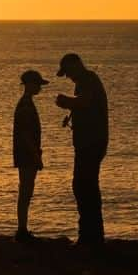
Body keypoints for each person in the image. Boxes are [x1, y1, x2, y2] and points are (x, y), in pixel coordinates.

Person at [54, 53, 109, 247]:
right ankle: (91, 235)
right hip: (88, 142)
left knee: (84, 186)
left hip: (91, 143)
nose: (68, 76)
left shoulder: (89, 80)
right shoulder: (85, 81)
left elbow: (84, 101)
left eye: (68, 71)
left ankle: (90, 236)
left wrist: (66, 101)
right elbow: (84, 104)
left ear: (76, 66)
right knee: (85, 186)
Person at [13, 69, 48, 242]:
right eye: (38, 84)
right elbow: (26, 135)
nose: (40, 88)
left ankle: (22, 229)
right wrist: (36, 156)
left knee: (25, 191)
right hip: (27, 155)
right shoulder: (26, 106)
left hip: (25, 154)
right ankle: (22, 230)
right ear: (29, 85)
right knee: (26, 191)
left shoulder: (25, 103)